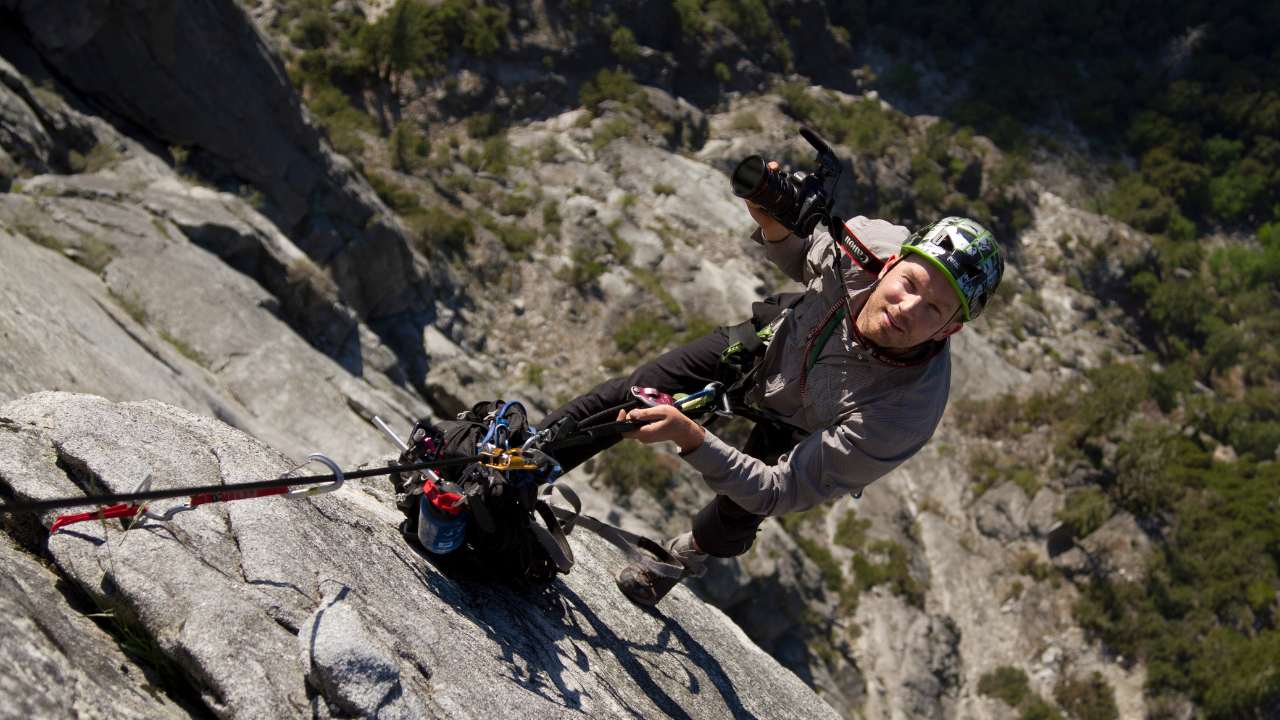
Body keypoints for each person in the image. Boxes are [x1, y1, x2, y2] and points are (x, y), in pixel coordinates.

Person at [539, 189, 1005, 606]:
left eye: (933, 310)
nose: (907, 309)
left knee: (740, 510)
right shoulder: (864, 244)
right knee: (633, 393)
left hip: (808, 423)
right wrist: (773, 224)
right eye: (910, 285)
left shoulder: (904, 411)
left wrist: (694, 439)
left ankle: (684, 556)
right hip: (769, 349)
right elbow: (805, 258)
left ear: (951, 329)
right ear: (891, 264)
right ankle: (527, 458)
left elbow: (779, 490)